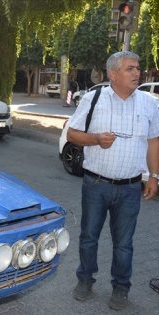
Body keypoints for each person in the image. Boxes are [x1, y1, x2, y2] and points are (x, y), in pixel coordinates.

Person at [67, 51, 159, 310]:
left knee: (124, 244)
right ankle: (85, 279)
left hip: (130, 187)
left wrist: (154, 176)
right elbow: (73, 133)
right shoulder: (94, 98)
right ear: (113, 74)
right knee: (88, 237)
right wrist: (96, 139)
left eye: (138, 68)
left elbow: (154, 141)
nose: (137, 73)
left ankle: (121, 287)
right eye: (130, 69)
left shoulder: (149, 103)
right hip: (96, 184)